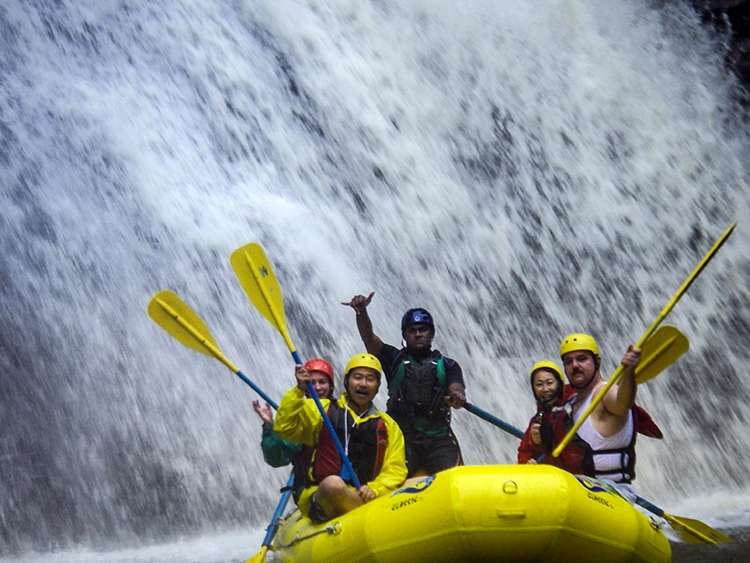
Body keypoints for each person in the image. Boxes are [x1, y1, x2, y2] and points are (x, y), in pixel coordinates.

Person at [342, 292, 466, 478]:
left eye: (422, 329)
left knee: (456, 479)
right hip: (401, 436)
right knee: (392, 478)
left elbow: (456, 388)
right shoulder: (393, 358)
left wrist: (457, 397)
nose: (417, 334)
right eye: (412, 330)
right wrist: (361, 312)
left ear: (431, 333)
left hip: (438, 437)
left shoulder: (448, 365)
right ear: (404, 335)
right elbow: (369, 339)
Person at [273, 353, 407, 523]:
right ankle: (380, 523)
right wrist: (298, 391)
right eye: (357, 377)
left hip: (368, 495)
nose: (363, 384)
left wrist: (375, 489)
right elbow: (284, 428)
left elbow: (395, 469)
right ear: (346, 381)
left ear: (378, 385)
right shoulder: (321, 409)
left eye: (370, 379)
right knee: (333, 484)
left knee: (414, 483)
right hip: (322, 496)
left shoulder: (388, 425)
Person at [554, 333, 662, 492]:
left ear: (597, 362)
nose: (575, 365)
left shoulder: (604, 393)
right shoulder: (570, 403)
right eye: (568, 362)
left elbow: (622, 402)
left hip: (612, 493)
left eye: (582, 359)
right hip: (578, 492)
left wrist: (629, 372)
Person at [251, 358, 335, 502]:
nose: (317, 388)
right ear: (305, 386)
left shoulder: (341, 411)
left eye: (322, 382)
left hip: (342, 483)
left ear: (331, 386)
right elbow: (276, 459)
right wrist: (269, 426)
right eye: (312, 383)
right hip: (311, 490)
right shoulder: (296, 417)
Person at [517, 360, 576, 465]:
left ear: (559, 384)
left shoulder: (577, 405)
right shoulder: (538, 420)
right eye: (539, 385)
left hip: (583, 475)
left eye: (549, 383)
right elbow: (524, 454)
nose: (545, 389)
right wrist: (535, 445)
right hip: (556, 476)